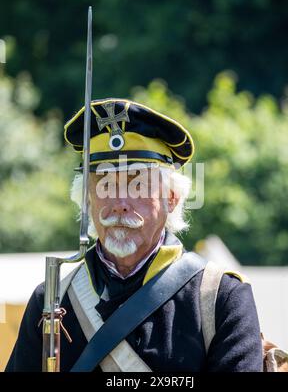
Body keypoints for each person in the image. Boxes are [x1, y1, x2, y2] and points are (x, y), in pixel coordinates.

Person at [5, 99, 263, 372]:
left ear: (171, 198)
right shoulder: (50, 300)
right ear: (86, 200)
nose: (119, 203)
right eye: (104, 184)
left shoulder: (221, 297)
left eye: (137, 184)